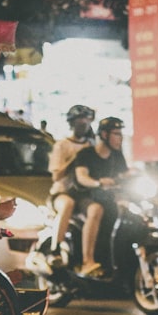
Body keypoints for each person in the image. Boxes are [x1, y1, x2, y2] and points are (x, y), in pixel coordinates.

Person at [72, 116, 129, 276]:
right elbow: (82, 177)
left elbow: (124, 174)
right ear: (104, 135)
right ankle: (87, 261)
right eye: (116, 134)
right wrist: (98, 183)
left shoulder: (117, 156)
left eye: (121, 134)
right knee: (96, 210)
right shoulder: (86, 154)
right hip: (85, 197)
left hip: (108, 199)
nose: (121, 138)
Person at [46, 104, 95, 259]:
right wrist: (75, 159)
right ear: (72, 123)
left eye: (86, 121)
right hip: (62, 192)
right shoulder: (62, 145)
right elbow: (56, 176)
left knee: (97, 209)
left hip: (83, 193)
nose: (83, 125)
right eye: (80, 121)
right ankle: (56, 249)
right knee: (68, 204)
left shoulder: (91, 145)